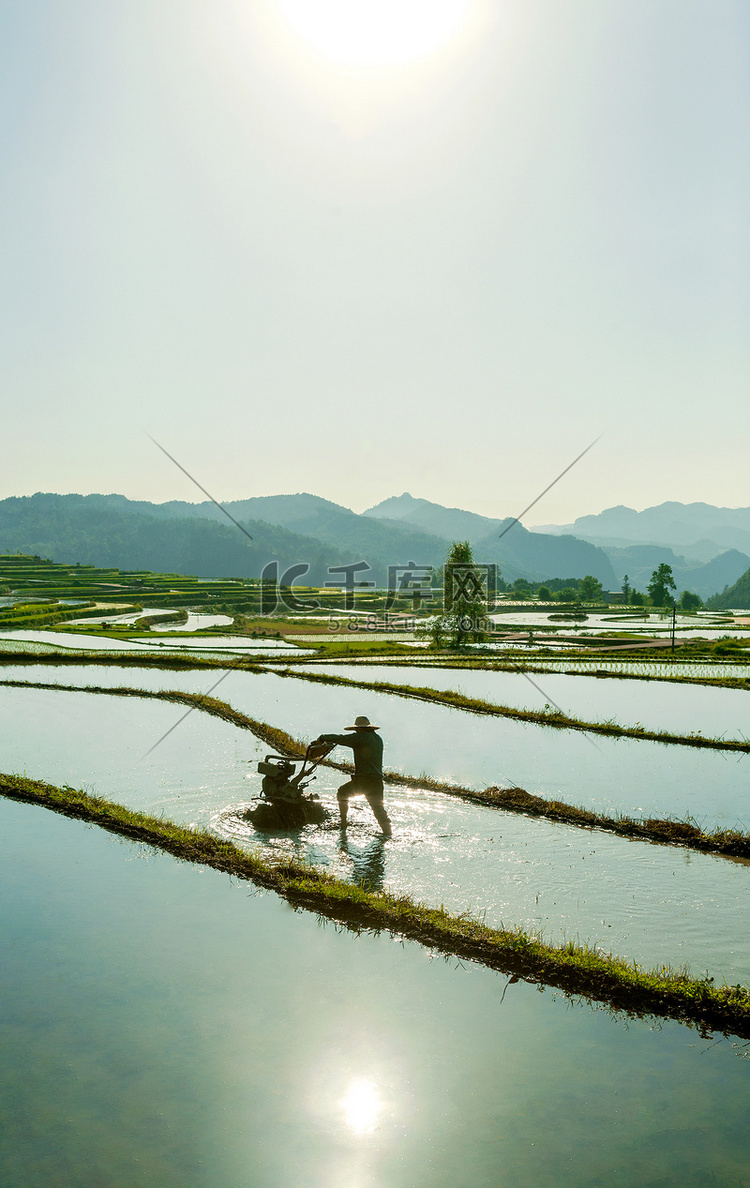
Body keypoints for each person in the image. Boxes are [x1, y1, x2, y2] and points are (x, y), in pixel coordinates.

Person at [315, 715, 392, 836]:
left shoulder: (360, 737)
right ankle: (388, 834)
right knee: (378, 809)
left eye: (357, 729)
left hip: (363, 780)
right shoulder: (378, 739)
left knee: (342, 793)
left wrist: (322, 737)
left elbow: (341, 739)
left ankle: (343, 823)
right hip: (377, 780)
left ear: (359, 729)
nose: (356, 731)